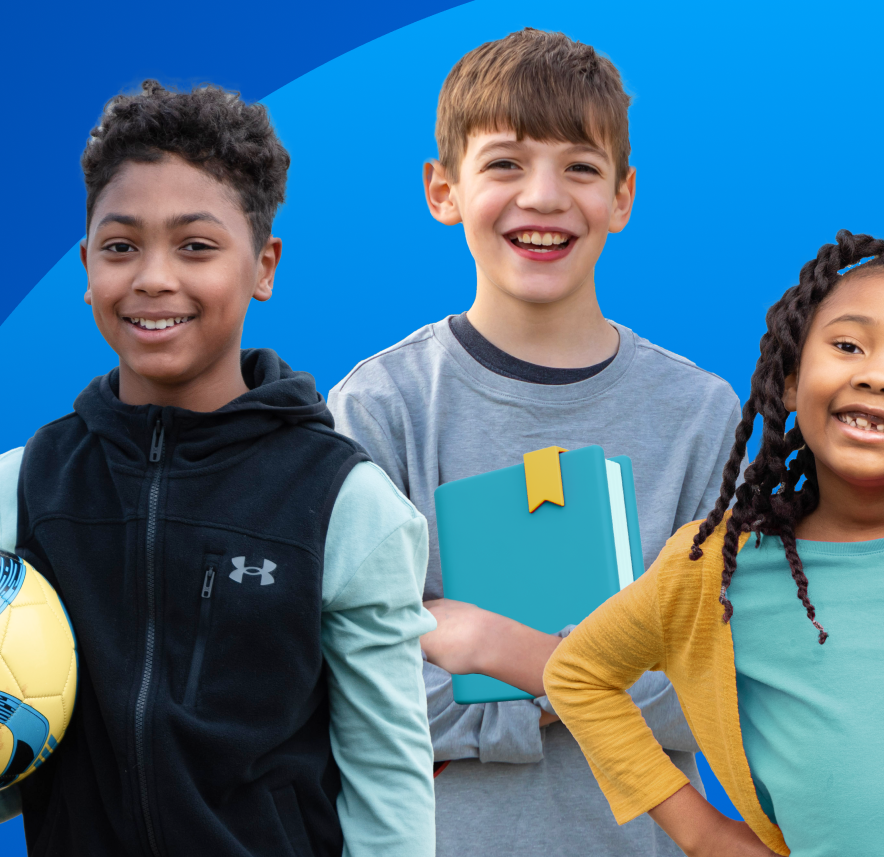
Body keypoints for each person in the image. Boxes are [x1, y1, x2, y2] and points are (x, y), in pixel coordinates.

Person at [0, 80, 438, 857]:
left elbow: (388, 779)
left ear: (264, 265)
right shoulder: (27, 485)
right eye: (122, 246)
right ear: (87, 267)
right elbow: (13, 744)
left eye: (195, 245)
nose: (153, 277)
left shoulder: (343, 501)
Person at [326, 28, 741, 855]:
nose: (544, 196)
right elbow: (357, 684)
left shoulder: (701, 418)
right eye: (506, 163)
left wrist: (491, 646)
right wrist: (601, 680)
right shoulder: (381, 407)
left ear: (623, 196)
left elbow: (722, 687)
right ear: (442, 189)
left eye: (580, 167)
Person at [546, 231, 884, 857]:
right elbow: (578, 674)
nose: (877, 376)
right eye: (847, 345)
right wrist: (704, 834)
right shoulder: (714, 570)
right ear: (790, 383)